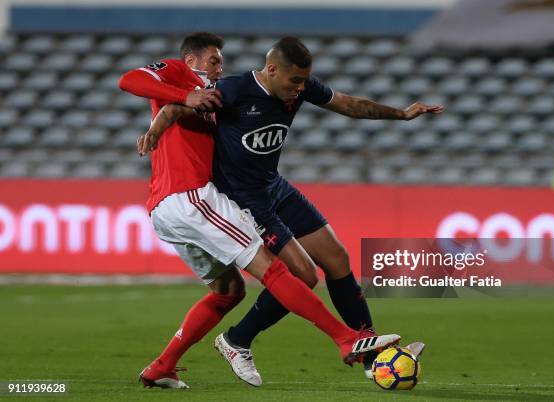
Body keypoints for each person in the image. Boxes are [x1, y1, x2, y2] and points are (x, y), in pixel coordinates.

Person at [137, 37, 441, 385]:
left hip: (273, 185)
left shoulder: (300, 87)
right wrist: (154, 132)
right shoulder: (233, 90)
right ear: (271, 70)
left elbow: (349, 104)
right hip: (244, 197)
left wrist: (400, 114)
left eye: (303, 81)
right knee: (302, 274)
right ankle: (238, 340)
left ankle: (369, 348)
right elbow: (176, 108)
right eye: (294, 82)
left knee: (338, 259)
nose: (300, 89)